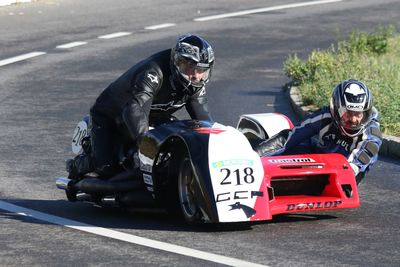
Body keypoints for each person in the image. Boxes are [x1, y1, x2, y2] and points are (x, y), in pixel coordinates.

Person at [67, 34, 215, 179]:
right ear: (177, 64)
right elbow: (134, 109)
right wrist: (148, 148)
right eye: (190, 68)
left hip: (153, 116)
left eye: (202, 70)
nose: (196, 76)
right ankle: (78, 165)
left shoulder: (194, 84)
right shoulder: (153, 72)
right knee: (106, 167)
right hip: (112, 115)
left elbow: (204, 121)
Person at [256, 79, 382, 184]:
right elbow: (292, 136)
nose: (354, 120)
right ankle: (255, 158)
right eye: (348, 113)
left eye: (358, 114)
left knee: (367, 155)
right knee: (299, 141)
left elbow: (357, 162)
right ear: (336, 109)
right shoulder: (325, 116)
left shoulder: (371, 135)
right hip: (318, 159)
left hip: (344, 174)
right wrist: (254, 158)